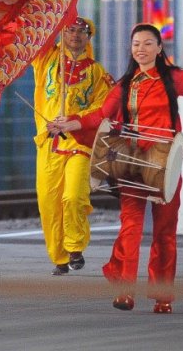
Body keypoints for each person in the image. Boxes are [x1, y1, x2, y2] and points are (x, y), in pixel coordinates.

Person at [48, 23, 183, 313]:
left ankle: (162, 296)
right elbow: (100, 116)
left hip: (165, 165)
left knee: (165, 232)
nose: (141, 49)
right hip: (132, 163)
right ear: (131, 49)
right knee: (130, 227)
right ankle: (125, 291)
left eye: (148, 43)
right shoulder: (124, 85)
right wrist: (70, 123)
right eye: (136, 44)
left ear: (159, 48)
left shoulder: (172, 78)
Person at [32, 16, 114, 275]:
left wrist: (74, 120)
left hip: (80, 143)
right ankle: (59, 257)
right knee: (49, 202)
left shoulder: (97, 72)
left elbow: (102, 108)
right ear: (62, 33)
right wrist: (57, 15)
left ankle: (75, 246)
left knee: (74, 196)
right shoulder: (46, 61)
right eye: (70, 30)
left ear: (89, 37)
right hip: (49, 144)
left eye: (81, 31)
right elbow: (40, 36)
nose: (75, 35)